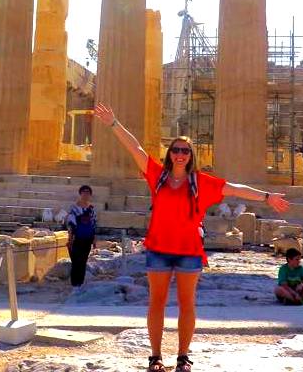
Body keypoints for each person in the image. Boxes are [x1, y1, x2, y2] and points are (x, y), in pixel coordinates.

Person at [94, 103, 289, 372]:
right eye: (175, 150)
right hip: (159, 249)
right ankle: (155, 356)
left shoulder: (201, 182)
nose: (180, 154)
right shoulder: (157, 176)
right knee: (157, 303)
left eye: (185, 150)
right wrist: (114, 124)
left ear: (191, 155)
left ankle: (183, 355)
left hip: (188, 251)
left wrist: (267, 197)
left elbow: (234, 189)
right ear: (169, 154)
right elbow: (135, 149)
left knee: (187, 305)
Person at [66, 185, 98, 291]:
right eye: (84, 192)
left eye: (88, 192)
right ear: (80, 194)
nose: (86, 194)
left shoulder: (91, 209)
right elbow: (71, 225)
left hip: (87, 238)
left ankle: (80, 283)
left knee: (83, 261)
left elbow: (93, 224)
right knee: (75, 261)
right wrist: (70, 239)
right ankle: (74, 283)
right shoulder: (74, 208)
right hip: (76, 238)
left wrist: (94, 239)